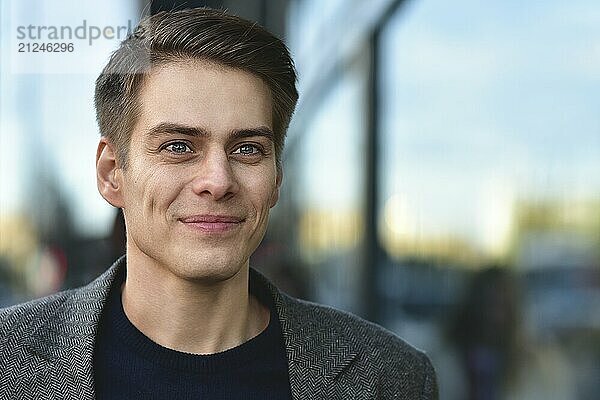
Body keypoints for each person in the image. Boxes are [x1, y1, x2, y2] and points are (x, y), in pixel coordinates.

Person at [0, 8, 437, 399]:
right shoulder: (10, 360)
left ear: (276, 179)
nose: (218, 181)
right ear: (112, 173)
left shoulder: (390, 378)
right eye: (178, 146)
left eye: (247, 149)